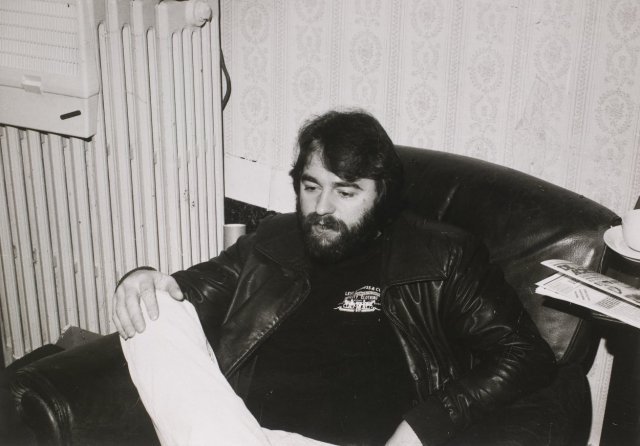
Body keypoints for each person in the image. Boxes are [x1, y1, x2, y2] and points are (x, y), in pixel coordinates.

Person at [113, 110, 556, 446]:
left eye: (345, 192)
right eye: (311, 187)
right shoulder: (273, 240)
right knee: (152, 310)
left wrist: (424, 426)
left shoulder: (443, 256)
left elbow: (525, 354)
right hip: (244, 432)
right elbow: (187, 290)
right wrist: (141, 278)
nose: (321, 208)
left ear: (382, 196)